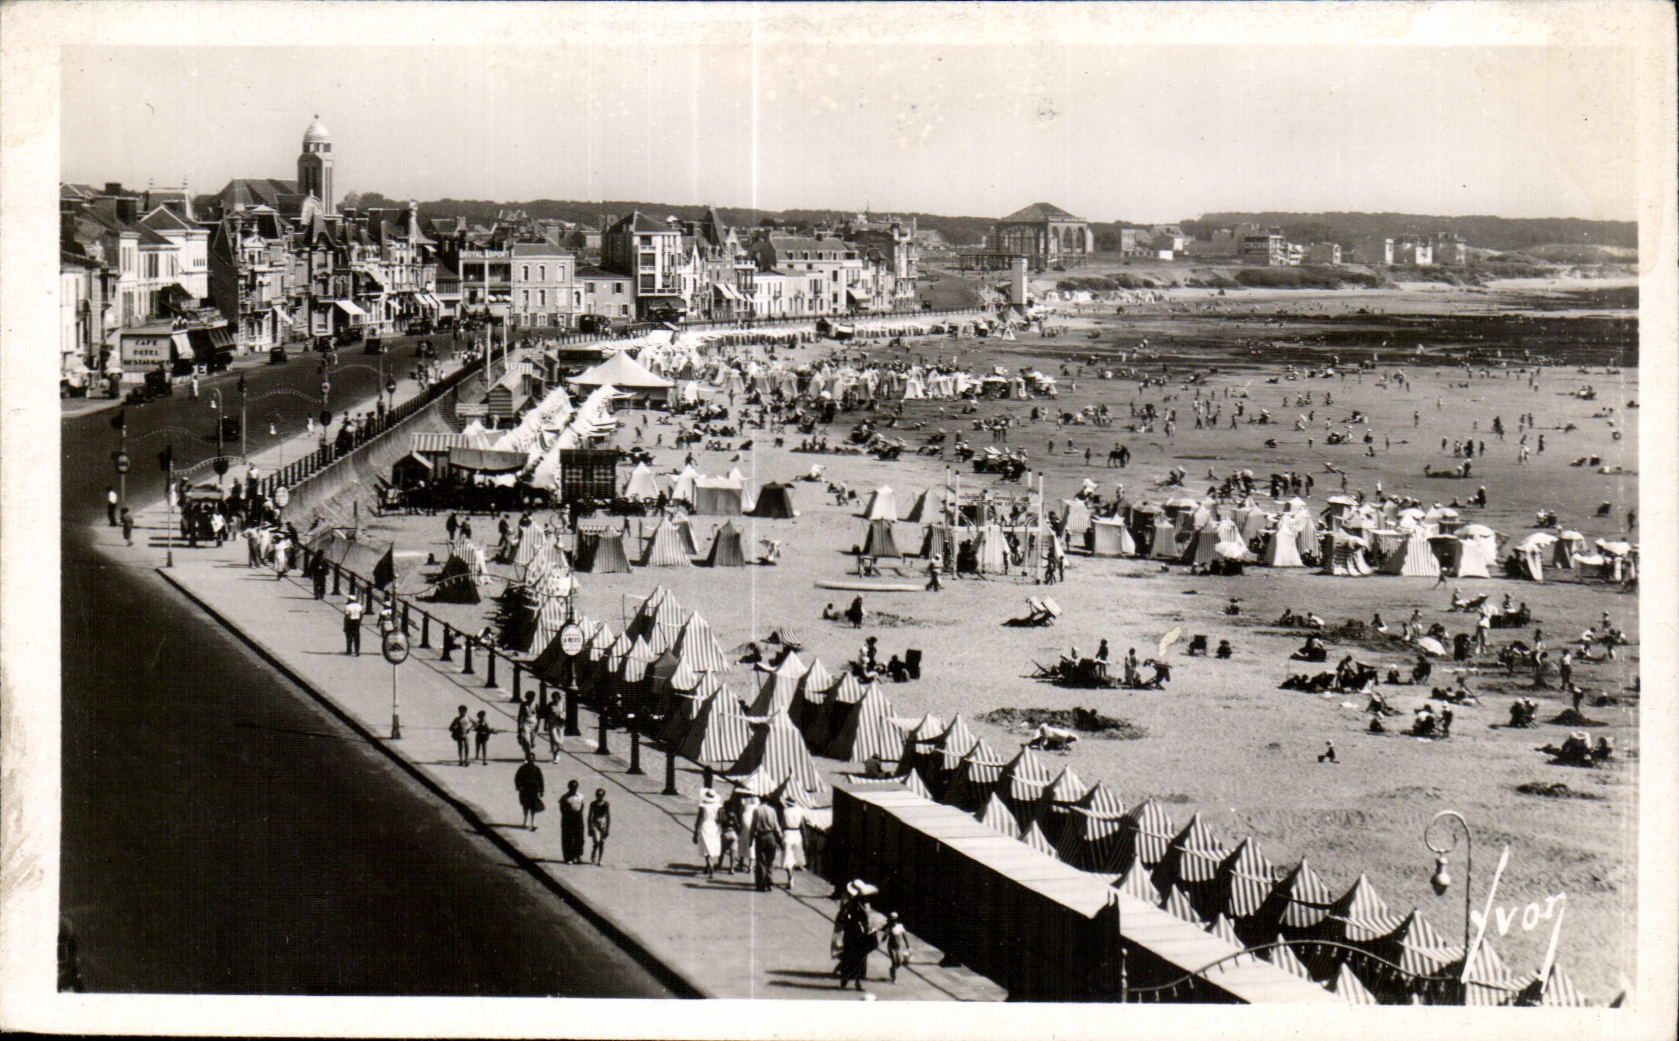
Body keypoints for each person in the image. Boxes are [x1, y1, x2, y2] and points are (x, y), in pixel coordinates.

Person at [833, 881, 879, 990]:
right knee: (858, 956)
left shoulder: (858, 903)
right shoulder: (856, 903)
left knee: (857, 956)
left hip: (856, 933)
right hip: (856, 933)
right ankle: (851, 979)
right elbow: (859, 917)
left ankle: (850, 978)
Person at [748, 794, 785, 892]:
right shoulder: (772, 811)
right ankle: (769, 882)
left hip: (760, 836)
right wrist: (780, 839)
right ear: (768, 801)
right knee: (770, 861)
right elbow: (776, 826)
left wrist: (750, 840)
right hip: (770, 836)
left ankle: (761, 883)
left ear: (760, 800)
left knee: (760, 861)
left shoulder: (756, 810)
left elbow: (753, 827)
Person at [779, 795, 808, 891]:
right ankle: (792, 877)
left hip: (788, 833)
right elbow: (803, 826)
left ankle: (790, 877)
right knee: (795, 857)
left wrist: (780, 837)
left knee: (788, 858)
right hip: (797, 834)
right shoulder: (800, 811)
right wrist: (805, 838)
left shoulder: (785, 811)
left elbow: (782, 825)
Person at [693, 789, 724, 877]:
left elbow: (699, 818)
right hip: (715, 826)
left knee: (706, 847)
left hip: (705, 825)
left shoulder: (703, 805)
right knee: (713, 846)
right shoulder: (718, 806)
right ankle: (709, 865)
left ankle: (709, 865)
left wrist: (695, 831)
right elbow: (722, 818)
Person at [514, 751, 545, 830]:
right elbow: (517, 778)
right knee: (525, 806)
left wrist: (541, 791)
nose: (531, 760)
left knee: (533, 806)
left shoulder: (537, 769)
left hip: (533, 790)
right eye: (529, 758)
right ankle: (525, 820)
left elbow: (541, 780)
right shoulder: (522, 768)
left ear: (534, 759)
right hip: (525, 789)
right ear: (527, 759)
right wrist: (518, 786)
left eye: (532, 759)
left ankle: (533, 822)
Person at [558, 780, 586, 864]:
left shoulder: (580, 796)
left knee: (579, 838)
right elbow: (561, 808)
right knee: (568, 838)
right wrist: (566, 817)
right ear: (569, 787)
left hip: (578, 817)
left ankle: (577, 856)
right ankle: (568, 857)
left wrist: (579, 815)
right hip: (568, 817)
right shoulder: (565, 797)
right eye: (572, 787)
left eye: (575, 787)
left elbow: (582, 806)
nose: (573, 789)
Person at [882, 911, 911, 983]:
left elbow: (904, 936)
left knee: (899, 963)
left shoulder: (900, 926)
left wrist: (907, 945)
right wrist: (883, 939)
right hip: (891, 947)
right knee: (894, 962)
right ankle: (894, 978)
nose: (893, 922)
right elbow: (885, 936)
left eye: (894, 920)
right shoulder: (889, 928)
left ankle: (892, 969)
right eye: (892, 920)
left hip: (897, 947)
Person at [587, 789, 611, 866]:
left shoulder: (606, 804)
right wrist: (589, 828)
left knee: (601, 842)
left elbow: (608, 817)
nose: (599, 797)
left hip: (602, 823)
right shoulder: (593, 804)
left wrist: (607, 829)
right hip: (595, 822)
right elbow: (590, 816)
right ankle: (593, 855)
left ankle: (600, 859)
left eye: (601, 795)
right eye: (598, 795)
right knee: (597, 841)